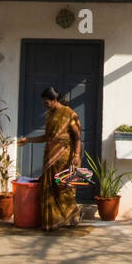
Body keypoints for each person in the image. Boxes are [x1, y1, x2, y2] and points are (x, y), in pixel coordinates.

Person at [18, 86, 82, 231]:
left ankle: (70, 219)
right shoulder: (49, 115)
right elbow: (46, 137)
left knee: (63, 186)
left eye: (47, 102)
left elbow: (77, 137)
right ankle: (53, 222)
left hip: (65, 155)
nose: (45, 105)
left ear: (54, 100)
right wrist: (28, 140)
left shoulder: (69, 114)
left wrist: (77, 155)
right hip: (50, 155)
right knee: (49, 187)